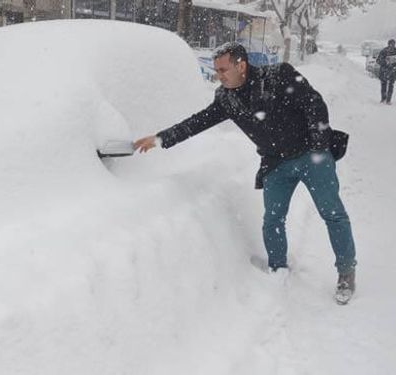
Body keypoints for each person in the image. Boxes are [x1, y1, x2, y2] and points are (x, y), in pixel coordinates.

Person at [133, 43, 357, 304]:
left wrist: (319, 148)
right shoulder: (227, 98)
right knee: (273, 219)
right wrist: (161, 138)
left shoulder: (279, 75)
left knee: (332, 213)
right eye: (216, 71)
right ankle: (277, 268)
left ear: (242, 65)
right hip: (276, 164)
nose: (219, 76)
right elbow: (198, 121)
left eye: (223, 70)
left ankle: (346, 271)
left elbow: (314, 104)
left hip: (311, 155)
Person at [377, 39, 396, 104]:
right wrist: (386, 62)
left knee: (391, 85)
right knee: (383, 85)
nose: (392, 46)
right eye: (391, 44)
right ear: (388, 44)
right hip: (384, 71)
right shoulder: (384, 51)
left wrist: (393, 64)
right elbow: (378, 60)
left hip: (392, 71)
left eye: (393, 44)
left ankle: (388, 100)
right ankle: (383, 99)